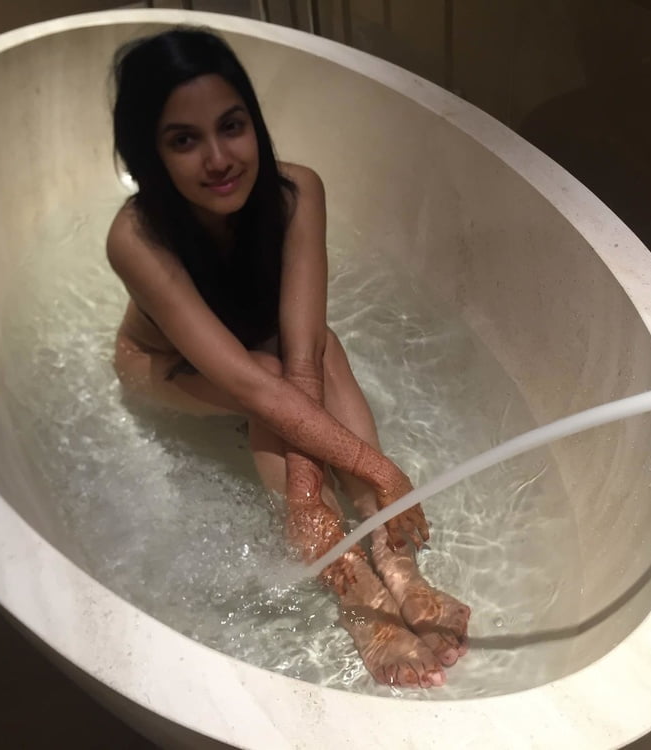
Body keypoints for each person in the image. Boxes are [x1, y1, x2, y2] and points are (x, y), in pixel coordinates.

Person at [107, 27, 470, 688]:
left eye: (232, 126)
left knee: (318, 348)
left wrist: (320, 487)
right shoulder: (137, 236)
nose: (219, 159)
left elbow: (302, 356)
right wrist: (367, 475)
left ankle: (399, 569)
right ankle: (356, 596)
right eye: (184, 141)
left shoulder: (297, 192)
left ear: (255, 121)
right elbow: (256, 388)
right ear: (150, 155)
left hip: (267, 366)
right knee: (268, 377)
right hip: (165, 369)